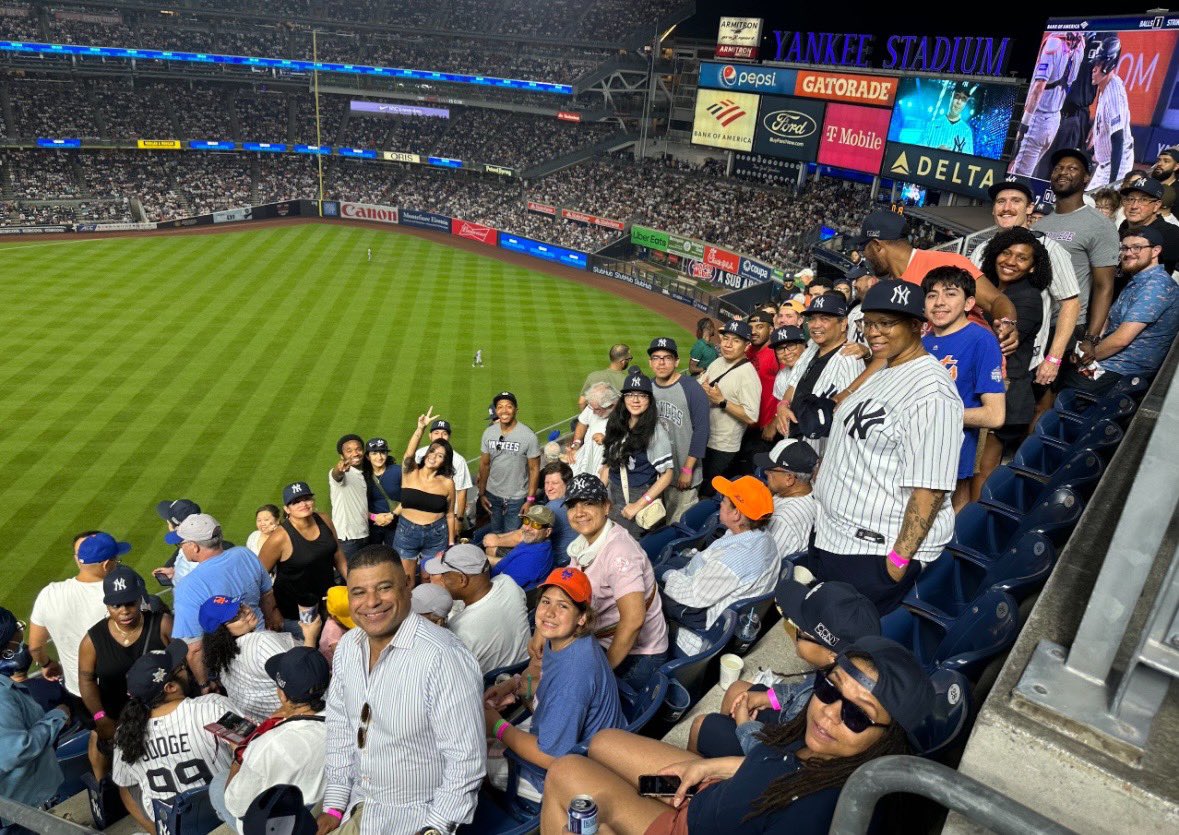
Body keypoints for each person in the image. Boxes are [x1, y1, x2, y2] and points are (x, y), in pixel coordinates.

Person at [540, 635, 935, 835]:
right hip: (715, 791)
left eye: (857, 716)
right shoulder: (826, 750)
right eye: (830, 689)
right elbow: (782, 767)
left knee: (566, 772)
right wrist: (720, 766)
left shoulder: (815, 816)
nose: (829, 714)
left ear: (887, 737)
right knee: (604, 742)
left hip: (690, 826)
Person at [807, 280, 962, 615]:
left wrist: (896, 561)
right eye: (869, 323)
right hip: (836, 535)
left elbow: (930, 490)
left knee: (844, 649)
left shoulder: (932, 393)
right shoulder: (887, 366)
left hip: (873, 550)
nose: (874, 333)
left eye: (886, 323)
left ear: (918, 326)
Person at [318, 545, 484, 835]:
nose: (371, 602)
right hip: (358, 806)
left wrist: (435, 829)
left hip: (417, 818)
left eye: (384, 588)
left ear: (408, 585)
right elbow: (341, 728)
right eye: (359, 592)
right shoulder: (347, 647)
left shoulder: (444, 657)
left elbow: (466, 762)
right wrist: (334, 806)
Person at [689, 578, 881, 757]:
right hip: (789, 721)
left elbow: (779, 757)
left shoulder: (827, 710)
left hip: (778, 750)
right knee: (737, 690)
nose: (793, 630)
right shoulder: (834, 673)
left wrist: (743, 725)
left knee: (702, 725)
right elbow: (800, 691)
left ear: (832, 655)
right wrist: (769, 698)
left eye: (800, 631)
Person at [483, 567, 624, 803]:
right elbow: (542, 674)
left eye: (563, 605)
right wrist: (512, 685)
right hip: (576, 737)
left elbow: (551, 756)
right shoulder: (566, 639)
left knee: (475, 762)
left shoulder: (573, 677)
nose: (550, 612)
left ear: (582, 618)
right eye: (546, 601)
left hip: (577, 771)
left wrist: (497, 725)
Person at [556, 474, 669, 689]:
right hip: (602, 640)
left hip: (639, 655)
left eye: (589, 503)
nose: (579, 512)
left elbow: (634, 620)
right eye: (572, 506)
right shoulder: (584, 543)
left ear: (606, 507)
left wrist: (604, 670)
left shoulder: (619, 552)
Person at [855, 209, 1019, 353]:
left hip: (972, 371)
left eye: (864, 249)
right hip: (928, 373)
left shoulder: (945, 262)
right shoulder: (889, 287)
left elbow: (996, 300)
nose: (865, 256)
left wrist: (1006, 323)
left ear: (876, 245)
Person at [973, 176, 1081, 388]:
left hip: (1021, 361)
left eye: (1016, 201)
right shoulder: (982, 249)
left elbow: (1071, 303)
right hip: (978, 349)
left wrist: (1053, 359)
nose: (1007, 207)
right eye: (1000, 201)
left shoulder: (1048, 249)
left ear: (1030, 208)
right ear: (993, 209)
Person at [112, 642, 232, 832]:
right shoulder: (212, 707)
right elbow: (254, 751)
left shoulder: (124, 733)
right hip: (226, 820)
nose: (186, 671)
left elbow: (126, 789)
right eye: (181, 668)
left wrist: (156, 830)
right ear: (170, 687)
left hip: (177, 829)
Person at [212, 646, 330, 834]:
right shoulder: (344, 719)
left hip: (279, 826)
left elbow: (236, 806)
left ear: (282, 695)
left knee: (218, 785)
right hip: (317, 807)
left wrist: (239, 756)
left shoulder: (268, 744)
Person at [658, 476, 779, 656]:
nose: (720, 504)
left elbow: (692, 595)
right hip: (720, 602)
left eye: (724, 501)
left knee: (651, 580)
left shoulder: (732, 561)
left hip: (702, 628)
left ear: (737, 514)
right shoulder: (765, 539)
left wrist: (666, 574)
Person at [920, 268, 1006, 509]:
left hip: (951, 457)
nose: (939, 302)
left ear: (969, 303)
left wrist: (933, 414)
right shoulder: (921, 343)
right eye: (931, 295)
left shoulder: (981, 340)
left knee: (944, 520)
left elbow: (995, 415)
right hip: (915, 451)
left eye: (950, 294)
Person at [78, 566, 171, 784]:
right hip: (118, 719)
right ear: (107, 605)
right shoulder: (93, 639)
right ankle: (102, 790)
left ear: (139, 600)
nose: (124, 610)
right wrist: (101, 718)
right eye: (116, 605)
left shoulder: (162, 623)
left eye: (130, 603)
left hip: (161, 713)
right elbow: (86, 679)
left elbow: (181, 665)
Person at [1062, 227, 1179, 392]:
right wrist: (1087, 346)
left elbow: (1121, 340)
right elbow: (1109, 320)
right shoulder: (1138, 279)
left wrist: (1086, 358)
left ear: (1155, 251)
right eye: (1124, 248)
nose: (1128, 253)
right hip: (1109, 362)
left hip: (1125, 371)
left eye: (1137, 248)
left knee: (1062, 384)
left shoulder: (1157, 286)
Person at [976, 229, 1051, 485]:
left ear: (1032, 267)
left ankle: (968, 524)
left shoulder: (1028, 299)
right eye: (1006, 253)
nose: (1010, 261)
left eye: (1022, 258)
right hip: (985, 388)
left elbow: (997, 344)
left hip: (1007, 394)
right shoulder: (989, 287)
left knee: (981, 471)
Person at [170, 514, 281, 684]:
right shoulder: (245, 554)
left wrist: (205, 684)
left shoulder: (187, 587)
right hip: (267, 644)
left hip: (235, 666)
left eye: (181, 544)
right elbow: (268, 597)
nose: (181, 548)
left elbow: (195, 648)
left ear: (194, 547)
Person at [28, 530, 128, 698]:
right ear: (105, 565)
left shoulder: (49, 593)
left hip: (78, 691)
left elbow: (35, 647)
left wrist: (47, 663)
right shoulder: (121, 595)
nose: (117, 563)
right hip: (121, 689)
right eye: (115, 559)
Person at [199, 596, 321, 723]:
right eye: (235, 616)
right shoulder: (261, 642)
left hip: (277, 728)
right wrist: (310, 636)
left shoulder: (222, 661)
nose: (246, 611)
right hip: (308, 718)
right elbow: (304, 679)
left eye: (240, 606)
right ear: (222, 632)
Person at [0, 608, 71, 815]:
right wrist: (57, 717)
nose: (20, 634)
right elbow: (15, 752)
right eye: (17, 629)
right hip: (18, 812)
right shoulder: (2, 695)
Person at [775, 294, 864, 455]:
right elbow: (793, 382)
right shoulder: (811, 348)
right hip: (795, 439)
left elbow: (845, 419)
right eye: (813, 319)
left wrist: (824, 461)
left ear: (843, 323)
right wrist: (783, 404)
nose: (816, 325)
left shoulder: (850, 360)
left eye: (824, 319)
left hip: (820, 451)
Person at [422, 544, 531, 674]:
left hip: (489, 687)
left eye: (444, 575)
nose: (441, 579)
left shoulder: (460, 631)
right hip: (521, 669)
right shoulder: (508, 583)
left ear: (462, 580)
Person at [600, 367, 674, 539]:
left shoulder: (655, 432)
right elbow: (609, 461)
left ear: (649, 400)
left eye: (641, 395)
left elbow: (667, 474)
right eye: (630, 395)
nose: (635, 400)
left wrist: (639, 504)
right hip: (615, 492)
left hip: (637, 496)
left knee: (631, 546)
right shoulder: (617, 422)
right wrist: (599, 490)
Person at [258, 483, 346, 628]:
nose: (303, 504)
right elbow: (258, 577)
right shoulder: (279, 538)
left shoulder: (324, 520)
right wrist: (272, 611)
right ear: (287, 509)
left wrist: (354, 583)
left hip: (327, 603)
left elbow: (337, 553)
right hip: (294, 613)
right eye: (296, 502)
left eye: (307, 499)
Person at [648, 337, 711, 524]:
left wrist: (687, 469)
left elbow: (702, 430)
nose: (661, 362)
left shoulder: (691, 388)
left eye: (667, 357)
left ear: (676, 362)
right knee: (658, 522)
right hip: (658, 474)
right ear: (650, 363)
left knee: (680, 524)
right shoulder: (648, 389)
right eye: (656, 358)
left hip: (684, 473)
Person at [394, 409, 458, 581]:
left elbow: (450, 514)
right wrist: (420, 429)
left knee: (431, 579)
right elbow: (409, 454)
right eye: (432, 452)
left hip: (437, 534)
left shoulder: (447, 483)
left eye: (440, 455)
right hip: (407, 532)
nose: (433, 457)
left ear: (445, 461)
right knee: (406, 580)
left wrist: (451, 542)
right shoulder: (410, 472)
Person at [699, 320, 762, 494]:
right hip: (704, 437)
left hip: (722, 447)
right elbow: (702, 386)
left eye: (736, 341)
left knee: (707, 491)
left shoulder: (748, 375)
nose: (728, 344)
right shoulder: (717, 362)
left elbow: (751, 416)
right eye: (726, 338)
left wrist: (722, 401)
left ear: (747, 345)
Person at [1009, 32, 1084, 177]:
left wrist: (1024, 124)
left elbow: (1039, 87)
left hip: (1037, 119)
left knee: (1017, 177)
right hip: (1054, 119)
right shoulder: (1080, 45)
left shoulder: (1054, 44)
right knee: (1024, 173)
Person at [484, 461, 576, 568]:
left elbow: (522, 536)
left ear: (568, 484)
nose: (549, 488)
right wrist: (498, 536)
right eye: (547, 483)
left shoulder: (555, 507)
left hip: (553, 564)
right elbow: (523, 531)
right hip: (559, 557)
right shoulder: (569, 500)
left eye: (555, 483)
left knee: (491, 549)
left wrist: (496, 540)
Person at [477, 391, 541, 539]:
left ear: (516, 409)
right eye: (500, 407)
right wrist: (481, 493)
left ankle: (507, 561)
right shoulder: (488, 433)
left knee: (512, 536)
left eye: (509, 406)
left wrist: (530, 499)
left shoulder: (528, 436)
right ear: (496, 410)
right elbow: (484, 464)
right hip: (492, 494)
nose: (504, 411)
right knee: (495, 533)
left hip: (517, 497)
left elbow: (534, 469)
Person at [755, 439, 819, 558]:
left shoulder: (782, 520)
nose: (766, 472)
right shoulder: (814, 490)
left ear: (789, 478)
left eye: (771, 469)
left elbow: (763, 562)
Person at [1088, 36, 1134, 191]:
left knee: (1100, 207)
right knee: (1086, 204)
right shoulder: (1104, 85)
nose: (1094, 68)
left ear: (1108, 65)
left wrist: (1112, 182)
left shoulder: (1114, 93)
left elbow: (1118, 139)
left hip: (1117, 163)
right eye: (1095, 63)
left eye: (1099, 64)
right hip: (1105, 164)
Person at [414, 418, 473, 525]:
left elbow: (461, 493)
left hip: (447, 516)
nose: (440, 437)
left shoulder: (458, 460)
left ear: (449, 437)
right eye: (436, 433)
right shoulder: (420, 454)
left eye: (444, 433)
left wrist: (458, 519)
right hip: (421, 513)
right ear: (430, 435)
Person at [1117, 174, 1179, 274]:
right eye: (1130, 199)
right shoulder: (1124, 225)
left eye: (1143, 200)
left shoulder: (1170, 234)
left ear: (1156, 205)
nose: (1134, 206)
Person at [488, 504, 556, 589]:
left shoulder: (532, 559)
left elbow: (502, 588)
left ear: (548, 532)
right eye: (526, 520)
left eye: (536, 525)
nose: (527, 528)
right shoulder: (535, 542)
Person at [329, 434, 371, 561]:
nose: (355, 453)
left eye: (358, 449)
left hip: (364, 534)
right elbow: (336, 475)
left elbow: (361, 508)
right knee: (348, 577)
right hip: (347, 540)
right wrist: (340, 469)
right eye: (349, 451)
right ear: (342, 456)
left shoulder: (363, 475)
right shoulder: (341, 474)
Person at [568, 381, 619, 478]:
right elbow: (582, 422)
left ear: (610, 405)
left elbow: (628, 442)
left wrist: (606, 440)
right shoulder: (593, 405)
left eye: (597, 409)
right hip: (586, 458)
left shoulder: (625, 414)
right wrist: (576, 444)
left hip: (606, 466)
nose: (594, 412)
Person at [362, 438, 402, 549]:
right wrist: (374, 517)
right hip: (372, 525)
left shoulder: (398, 471)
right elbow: (356, 504)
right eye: (374, 453)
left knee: (395, 558)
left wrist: (392, 515)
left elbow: (409, 497)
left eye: (383, 452)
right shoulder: (362, 476)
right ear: (367, 456)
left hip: (397, 523)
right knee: (373, 559)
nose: (379, 457)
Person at [152, 498, 202, 585]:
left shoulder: (194, 553)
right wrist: (174, 571)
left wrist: (176, 576)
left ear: (174, 526)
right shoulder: (213, 543)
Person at [924, 80, 975, 154]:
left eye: (963, 99)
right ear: (951, 95)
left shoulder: (967, 131)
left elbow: (968, 162)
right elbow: (917, 153)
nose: (959, 102)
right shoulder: (932, 125)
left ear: (966, 103)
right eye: (957, 96)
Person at [578, 344, 632, 409]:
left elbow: (581, 402)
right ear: (623, 361)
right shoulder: (628, 380)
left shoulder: (593, 376)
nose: (629, 361)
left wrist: (588, 418)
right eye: (629, 359)